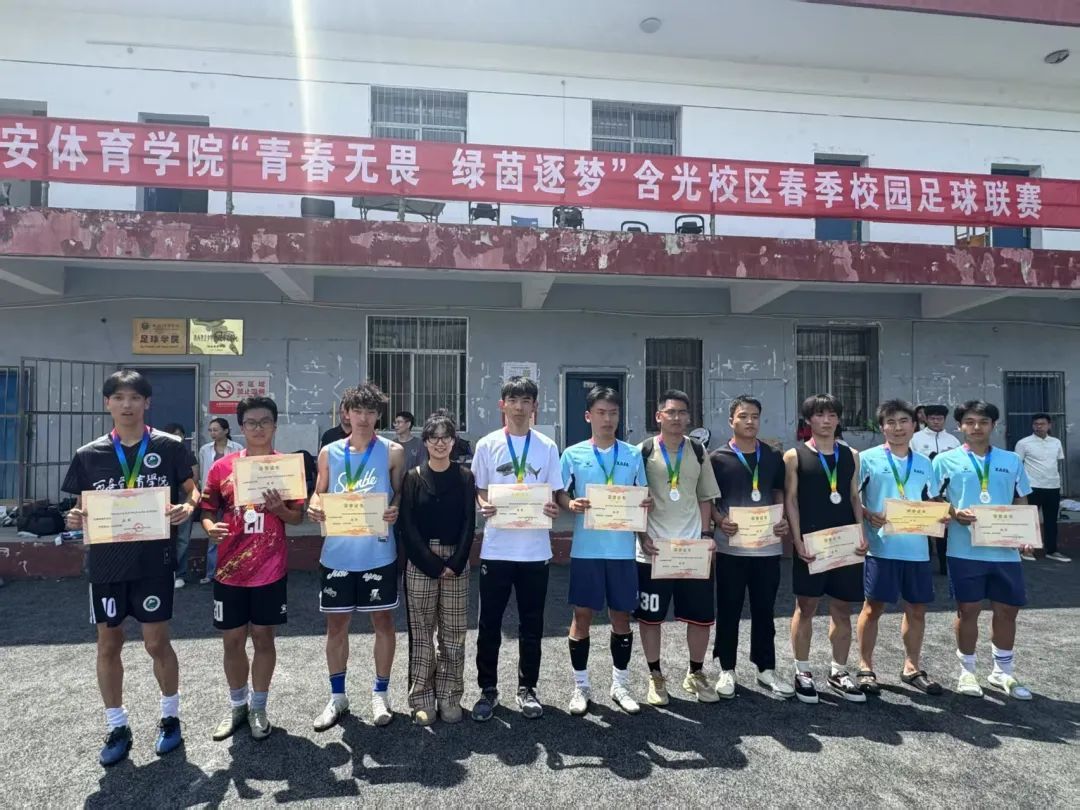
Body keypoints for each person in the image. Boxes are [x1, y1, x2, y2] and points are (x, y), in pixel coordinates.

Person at [62, 370, 199, 766]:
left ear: (146, 403)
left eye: (135, 397)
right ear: (107, 403)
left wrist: (187, 507)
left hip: (154, 561)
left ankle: (170, 718)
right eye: (119, 397)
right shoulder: (89, 454)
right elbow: (79, 507)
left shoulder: (170, 446)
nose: (127, 404)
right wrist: (74, 517)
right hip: (106, 564)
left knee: (156, 642)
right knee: (109, 644)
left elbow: (194, 491)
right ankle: (117, 725)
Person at [200, 397, 303, 741]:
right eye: (251, 423)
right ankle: (237, 706)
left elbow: (297, 517)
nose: (258, 428)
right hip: (229, 569)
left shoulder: (287, 467)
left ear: (275, 425)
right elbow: (207, 508)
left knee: (263, 637)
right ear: (241, 428)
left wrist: (280, 510)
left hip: (270, 569)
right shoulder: (222, 467)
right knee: (232, 640)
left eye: (265, 422)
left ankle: (259, 707)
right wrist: (210, 528)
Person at [307, 383, 404, 730]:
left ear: (379, 415)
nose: (363, 418)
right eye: (357, 411)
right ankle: (338, 696)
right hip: (337, 554)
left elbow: (400, 494)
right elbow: (318, 492)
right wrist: (314, 507)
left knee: (383, 623)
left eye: (370, 411)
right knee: (336, 626)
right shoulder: (329, 452)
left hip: (378, 552)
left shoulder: (393, 451)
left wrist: (394, 508)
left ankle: (381, 693)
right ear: (346, 413)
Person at [470, 376, 563, 721]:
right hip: (497, 550)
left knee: (532, 624)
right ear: (502, 405)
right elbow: (480, 489)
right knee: (489, 624)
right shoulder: (487, 444)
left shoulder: (547, 447)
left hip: (535, 552)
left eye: (526, 401)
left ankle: (527, 688)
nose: (520, 407)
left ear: (535, 406)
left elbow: (554, 494)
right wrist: (483, 504)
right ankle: (487, 690)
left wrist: (552, 507)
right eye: (513, 400)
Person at [557, 386, 651, 716]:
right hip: (587, 551)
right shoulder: (573, 454)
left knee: (621, 617)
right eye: (601, 412)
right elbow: (559, 494)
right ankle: (581, 686)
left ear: (619, 416)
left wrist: (644, 529)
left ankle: (620, 685)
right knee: (581, 616)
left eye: (613, 413)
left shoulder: (632, 454)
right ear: (588, 416)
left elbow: (641, 498)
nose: (607, 419)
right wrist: (571, 503)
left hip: (622, 552)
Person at [934, 400, 1035, 700]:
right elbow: (933, 498)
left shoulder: (1011, 460)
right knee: (968, 610)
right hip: (964, 550)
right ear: (960, 426)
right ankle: (967, 671)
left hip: (1005, 551)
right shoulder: (944, 461)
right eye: (970, 422)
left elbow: (1021, 498)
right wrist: (954, 513)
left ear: (993, 425)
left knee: (1008, 610)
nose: (976, 427)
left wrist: (1027, 533)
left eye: (983, 422)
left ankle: (1002, 671)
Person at [635, 389, 721, 706]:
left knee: (700, 618)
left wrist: (707, 534)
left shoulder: (698, 450)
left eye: (682, 412)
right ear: (658, 416)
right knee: (650, 618)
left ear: (689, 417)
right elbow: (634, 499)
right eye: (670, 412)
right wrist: (641, 535)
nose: (676, 417)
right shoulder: (643, 451)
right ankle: (655, 676)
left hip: (692, 550)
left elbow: (705, 496)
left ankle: (695, 673)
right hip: (653, 552)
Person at [856, 399, 946, 697]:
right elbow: (853, 499)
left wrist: (940, 513)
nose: (898, 428)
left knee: (917, 609)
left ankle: (911, 667)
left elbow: (932, 498)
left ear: (914, 425)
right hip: (881, 548)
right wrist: (867, 514)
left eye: (904, 421)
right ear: (882, 427)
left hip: (917, 549)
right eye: (891, 422)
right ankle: (865, 667)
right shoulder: (867, 459)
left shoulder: (925, 463)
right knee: (873, 608)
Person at [784, 394, 869, 704]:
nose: (826, 420)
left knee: (842, 608)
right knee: (806, 606)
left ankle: (838, 671)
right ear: (809, 420)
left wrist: (861, 533)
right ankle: (802, 671)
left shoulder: (851, 455)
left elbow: (854, 497)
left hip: (845, 544)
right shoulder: (794, 456)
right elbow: (791, 501)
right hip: (812, 544)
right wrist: (797, 541)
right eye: (819, 415)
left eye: (832, 415)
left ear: (838, 419)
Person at [710, 395, 794, 699]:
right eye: (743, 416)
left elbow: (778, 492)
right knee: (728, 609)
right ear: (731, 420)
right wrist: (719, 520)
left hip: (766, 549)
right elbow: (708, 499)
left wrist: (782, 518)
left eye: (755, 416)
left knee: (764, 610)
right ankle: (726, 668)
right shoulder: (717, 458)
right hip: (730, 548)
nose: (749, 421)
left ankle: (765, 667)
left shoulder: (772, 456)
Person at [398, 413, 476, 726]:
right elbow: (407, 525)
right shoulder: (413, 477)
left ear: (454, 442)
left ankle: (449, 696)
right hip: (421, 561)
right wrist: (430, 562)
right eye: (434, 437)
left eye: (446, 437)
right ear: (426, 442)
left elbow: (469, 523)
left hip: (456, 561)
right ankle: (421, 698)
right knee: (421, 633)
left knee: (454, 634)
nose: (440, 443)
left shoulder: (465, 477)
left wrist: (455, 562)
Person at [910, 404, 960, 575]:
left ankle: (944, 566)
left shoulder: (953, 441)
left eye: (940, 419)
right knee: (923, 526)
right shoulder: (915, 438)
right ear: (926, 418)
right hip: (922, 490)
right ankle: (923, 563)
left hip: (945, 491)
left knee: (943, 528)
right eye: (932, 418)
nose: (936, 422)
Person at [1015, 414, 1069, 563]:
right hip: (1032, 486)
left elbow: (1057, 462)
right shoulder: (1023, 443)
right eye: (1036, 424)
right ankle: (1026, 550)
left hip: (1053, 486)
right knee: (1029, 520)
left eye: (1042, 424)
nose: (1039, 427)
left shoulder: (1056, 442)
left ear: (1049, 425)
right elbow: (1017, 465)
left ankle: (1052, 550)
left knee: (1051, 520)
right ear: (1032, 426)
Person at [198, 418, 244, 584]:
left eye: (216, 429)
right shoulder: (204, 450)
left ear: (226, 431)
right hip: (212, 496)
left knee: (234, 533)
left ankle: (233, 569)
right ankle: (211, 573)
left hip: (232, 496)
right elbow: (203, 473)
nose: (213, 433)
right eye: (210, 430)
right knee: (214, 534)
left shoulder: (237, 448)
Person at [163, 423, 199, 589]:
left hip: (184, 499)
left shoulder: (187, 455)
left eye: (179, 434)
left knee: (183, 538)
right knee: (163, 537)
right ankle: (164, 572)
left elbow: (195, 478)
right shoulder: (159, 453)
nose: (176, 438)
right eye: (172, 434)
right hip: (163, 501)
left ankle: (180, 573)